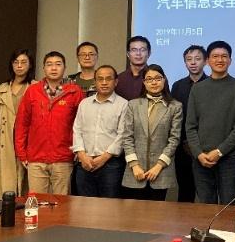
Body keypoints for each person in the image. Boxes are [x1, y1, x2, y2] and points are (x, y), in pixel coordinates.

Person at [185, 41, 235, 204]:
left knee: (228, 205)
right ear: (207, 60)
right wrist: (198, 153)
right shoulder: (197, 89)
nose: (220, 60)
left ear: (230, 60)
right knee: (206, 206)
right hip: (201, 159)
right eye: (215, 56)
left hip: (230, 160)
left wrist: (219, 152)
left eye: (224, 56)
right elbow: (190, 126)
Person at [15, 51, 84, 195]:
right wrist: (22, 153)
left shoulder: (74, 92)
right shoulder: (32, 91)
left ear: (65, 68)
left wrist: (78, 150)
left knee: (62, 203)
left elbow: (82, 125)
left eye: (58, 64)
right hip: (36, 158)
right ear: (43, 68)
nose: (53, 68)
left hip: (63, 158)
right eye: (49, 64)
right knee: (37, 202)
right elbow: (22, 123)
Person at [121, 64, 183, 201]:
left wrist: (159, 166)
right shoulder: (133, 105)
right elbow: (127, 137)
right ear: (144, 82)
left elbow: (174, 139)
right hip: (135, 171)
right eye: (149, 79)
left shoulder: (175, 106)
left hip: (161, 172)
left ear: (164, 80)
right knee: (133, 212)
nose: (154, 82)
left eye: (158, 78)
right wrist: (134, 165)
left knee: (156, 213)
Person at [71, 65, 127, 198]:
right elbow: (77, 130)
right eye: (100, 79)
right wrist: (81, 155)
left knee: (109, 206)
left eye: (108, 79)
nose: (104, 82)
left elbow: (123, 135)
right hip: (85, 163)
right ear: (95, 82)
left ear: (116, 82)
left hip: (110, 165)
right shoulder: (84, 103)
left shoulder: (123, 104)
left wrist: (104, 157)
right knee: (84, 205)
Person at [0, 49, 36, 200]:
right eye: (16, 62)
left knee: (27, 187)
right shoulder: (2, 88)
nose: (19, 66)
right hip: (5, 141)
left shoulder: (36, 87)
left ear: (30, 65)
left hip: (28, 141)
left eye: (23, 62)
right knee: (5, 188)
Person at [170, 44, 208, 202]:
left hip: (206, 148)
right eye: (189, 59)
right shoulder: (177, 86)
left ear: (205, 61)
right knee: (185, 192)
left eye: (197, 59)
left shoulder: (212, 84)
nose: (193, 62)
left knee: (207, 193)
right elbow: (174, 117)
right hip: (182, 148)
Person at [115, 36, 151, 100]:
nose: (138, 53)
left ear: (149, 53)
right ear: (128, 54)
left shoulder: (156, 78)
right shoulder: (119, 79)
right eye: (134, 50)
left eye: (142, 50)